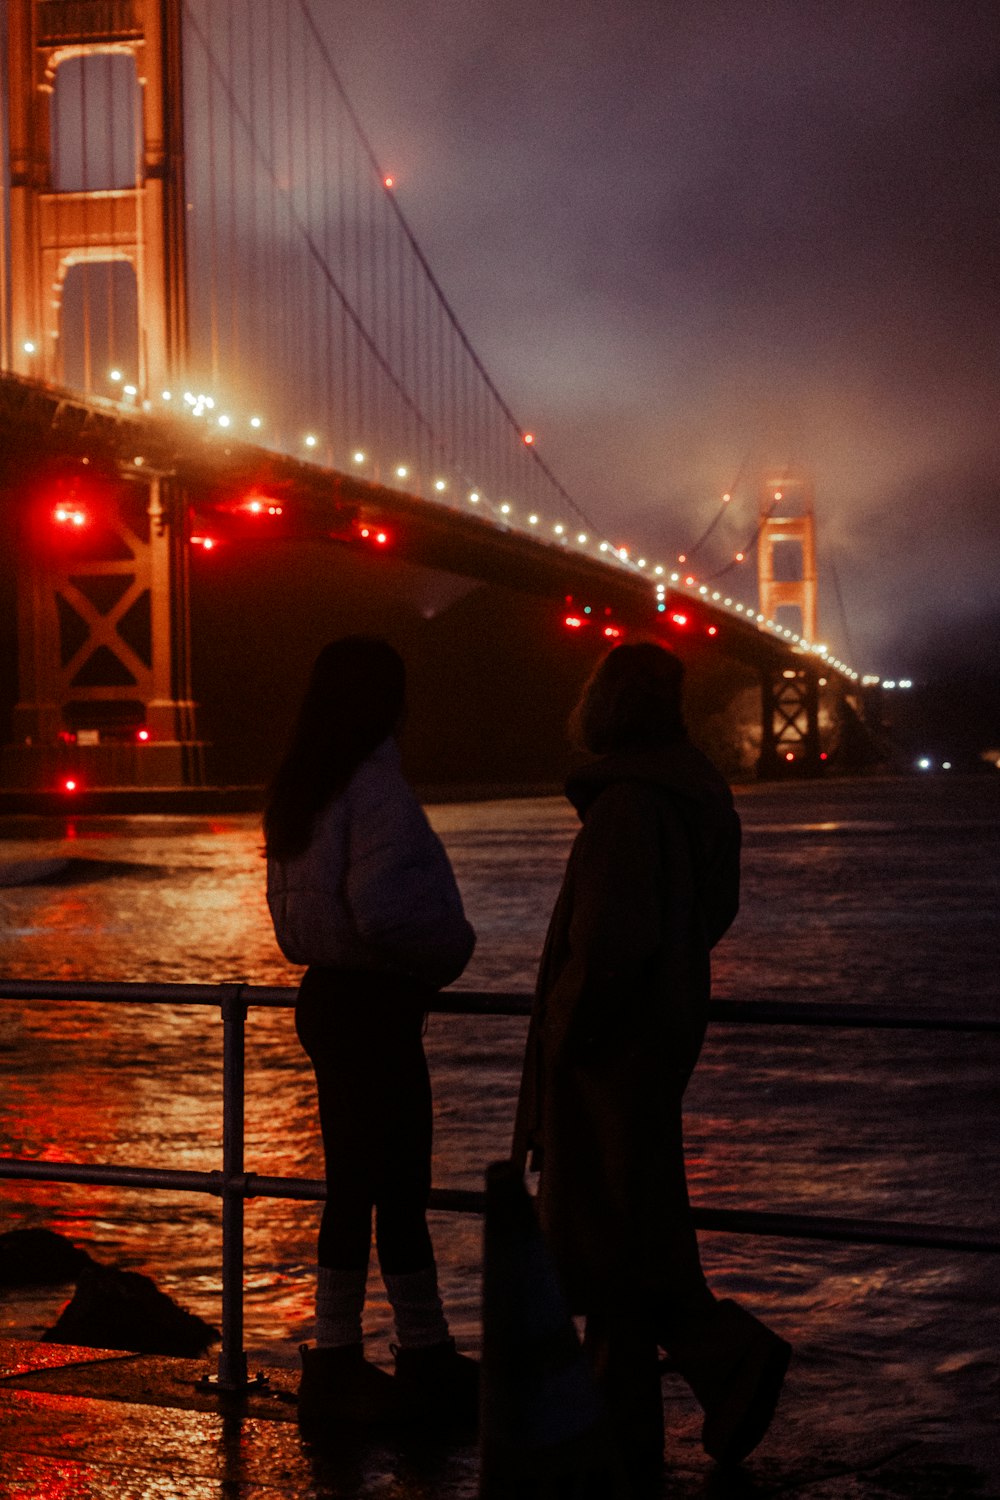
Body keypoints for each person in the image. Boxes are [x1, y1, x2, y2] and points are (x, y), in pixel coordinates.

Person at [512, 641, 791, 1491]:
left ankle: (728, 1358)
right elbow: (707, 915)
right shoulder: (687, 798)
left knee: (612, 1242)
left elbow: (603, 948)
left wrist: (564, 1034)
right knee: (625, 1235)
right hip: (656, 1040)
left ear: (607, 707)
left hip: (606, 1055)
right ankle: (626, 1429)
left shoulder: (626, 808)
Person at [264, 636, 478, 1440]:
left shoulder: (301, 787)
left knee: (356, 1184)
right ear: (383, 701)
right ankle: (408, 1355)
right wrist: (450, 950)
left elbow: (297, 912)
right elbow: (387, 907)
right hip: (376, 1005)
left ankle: (347, 1355)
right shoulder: (377, 787)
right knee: (399, 1186)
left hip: (323, 998)